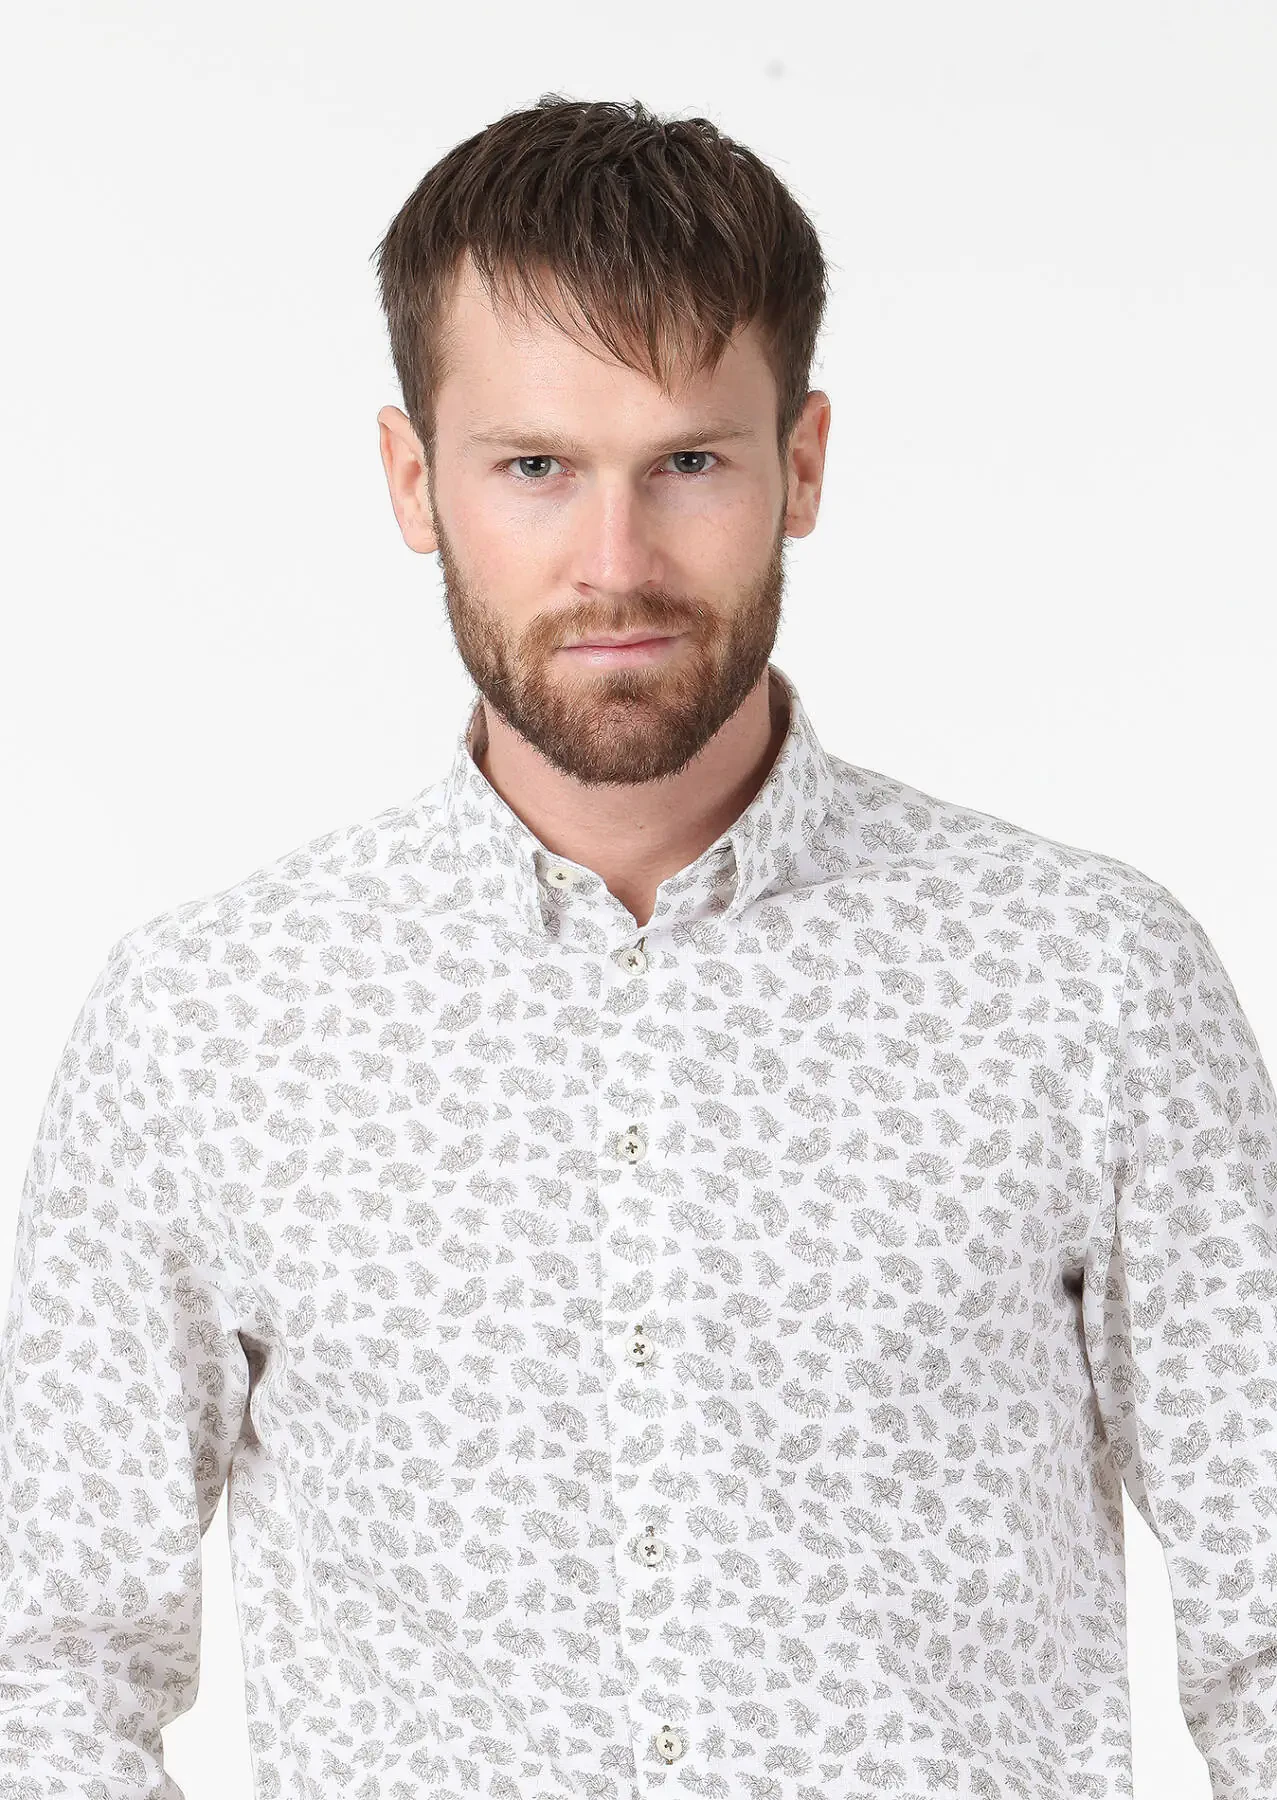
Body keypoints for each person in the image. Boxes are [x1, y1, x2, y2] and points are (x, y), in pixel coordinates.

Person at [1, 92, 1274, 1800]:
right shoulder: (206, 1025)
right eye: (535, 466)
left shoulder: (1088, 985)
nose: (616, 563)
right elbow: (51, 1665)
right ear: (414, 480)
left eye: (688, 462)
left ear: (801, 464)